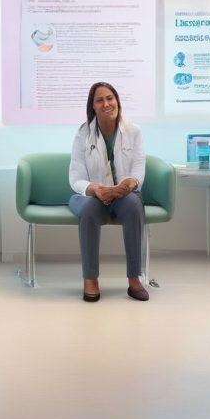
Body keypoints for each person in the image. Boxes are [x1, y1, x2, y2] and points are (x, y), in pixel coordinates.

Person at [67, 82, 149, 302]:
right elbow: (75, 177)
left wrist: (127, 185)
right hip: (92, 196)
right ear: (92, 106)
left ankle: (134, 279)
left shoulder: (134, 131)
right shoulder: (83, 133)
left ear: (117, 101)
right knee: (90, 210)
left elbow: (138, 169)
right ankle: (90, 279)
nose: (106, 104)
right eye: (100, 100)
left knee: (133, 205)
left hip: (123, 196)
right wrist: (94, 188)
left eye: (110, 98)